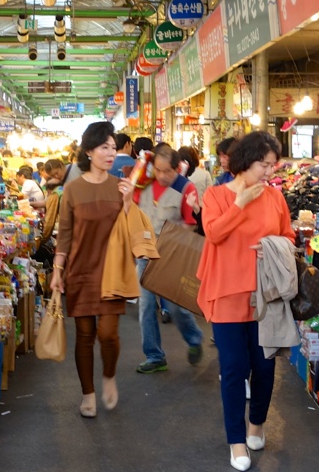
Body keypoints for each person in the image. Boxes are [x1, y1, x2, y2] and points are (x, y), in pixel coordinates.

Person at [199, 131, 295, 471]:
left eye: (272, 165)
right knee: (234, 368)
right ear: (245, 160)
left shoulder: (275, 198)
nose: (268, 172)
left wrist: (274, 245)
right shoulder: (215, 195)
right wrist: (240, 204)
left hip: (265, 294)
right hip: (227, 292)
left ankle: (257, 423)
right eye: (263, 164)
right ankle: (236, 442)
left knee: (265, 366)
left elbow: (289, 236)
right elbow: (213, 233)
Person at [51, 121, 135, 418]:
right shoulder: (72, 190)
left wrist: (127, 201)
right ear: (89, 151)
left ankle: (109, 375)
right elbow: (65, 234)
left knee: (108, 334)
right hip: (80, 270)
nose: (111, 153)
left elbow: (129, 230)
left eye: (113, 147)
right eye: (104, 148)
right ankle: (88, 393)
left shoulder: (121, 187)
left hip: (112, 271)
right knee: (84, 334)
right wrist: (57, 270)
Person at [134, 144, 204, 372]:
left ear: (178, 169)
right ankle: (155, 356)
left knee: (176, 307)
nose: (163, 176)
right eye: (159, 170)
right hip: (145, 254)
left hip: (171, 257)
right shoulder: (142, 183)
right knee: (145, 306)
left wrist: (173, 238)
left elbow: (191, 224)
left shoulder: (186, 188)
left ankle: (194, 339)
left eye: (168, 171)